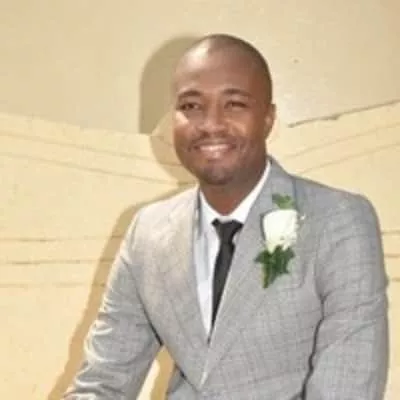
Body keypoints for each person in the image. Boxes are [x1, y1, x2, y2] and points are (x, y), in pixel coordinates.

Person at [64, 34, 388, 399]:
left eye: (234, 104)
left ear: (268, 119)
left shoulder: (338, 222)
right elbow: (103, 381)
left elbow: (347, 385)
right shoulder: (148, 232)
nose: (210, 124)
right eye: (191, 105)